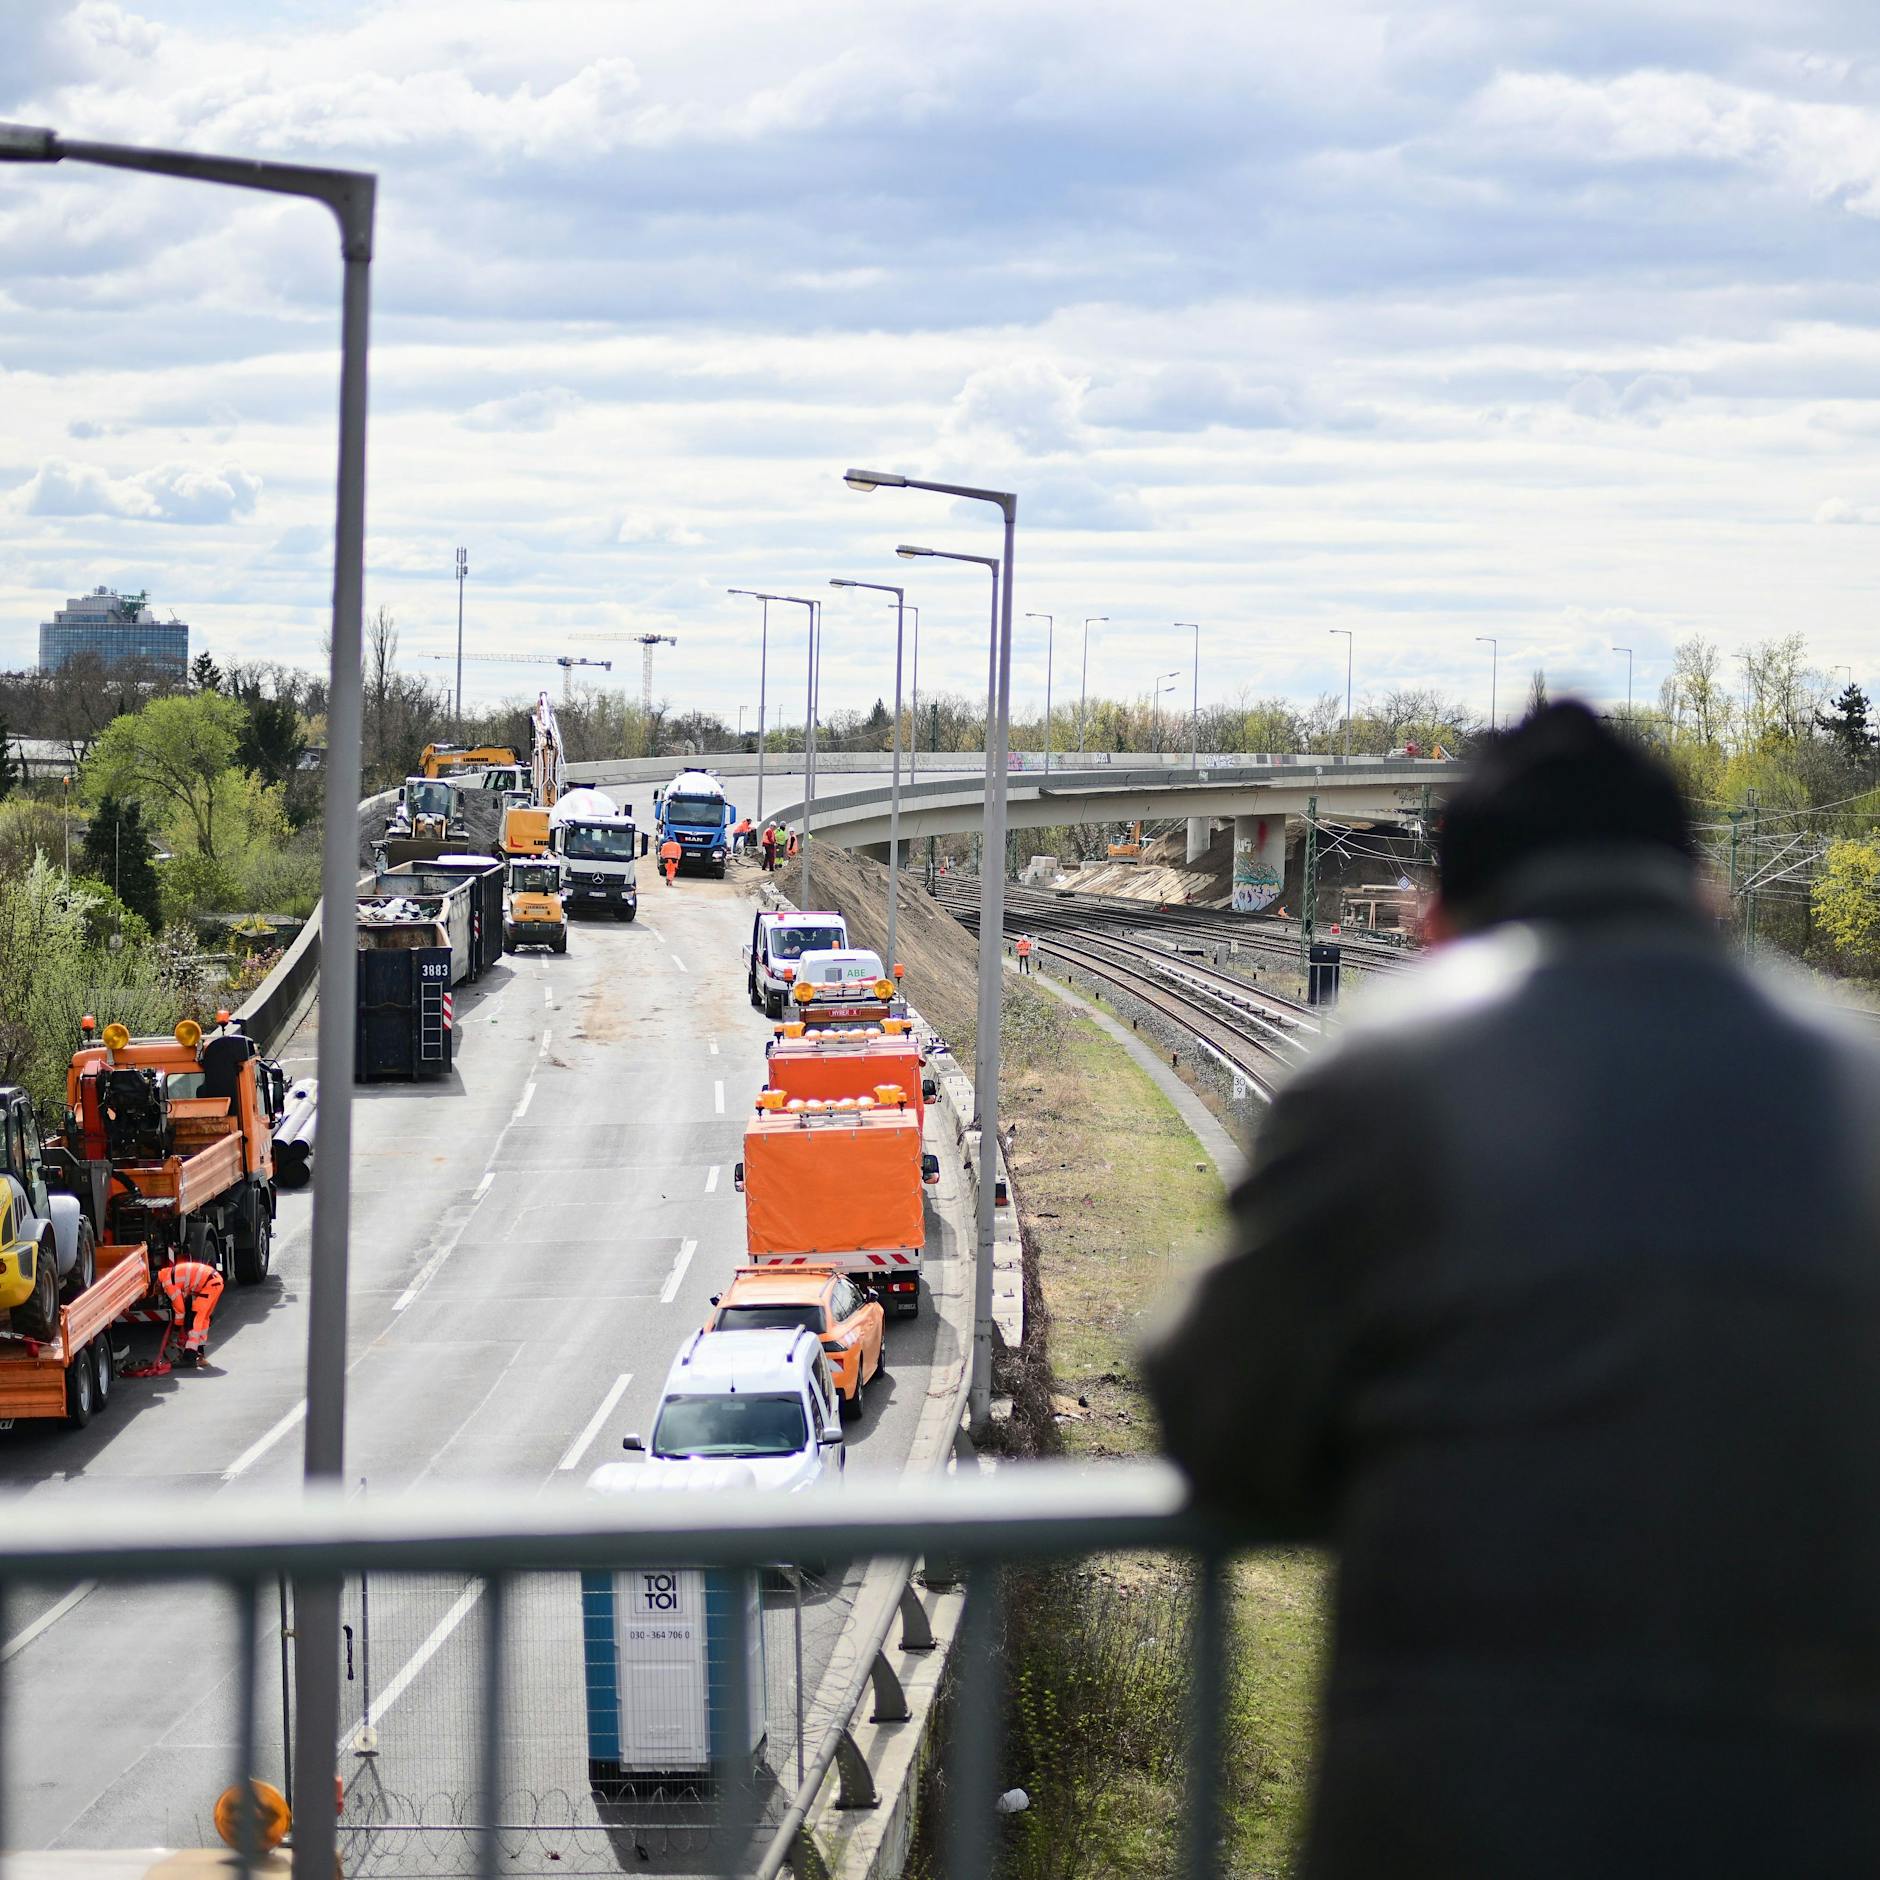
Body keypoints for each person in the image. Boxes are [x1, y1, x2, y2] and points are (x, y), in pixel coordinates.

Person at [1144, 701, 1880, 1880]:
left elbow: (1224, 1422)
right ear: (1705, 895)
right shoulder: (1857, 1080)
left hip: (1457, 1823)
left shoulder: (1383, 1068)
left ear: (1437, 920)